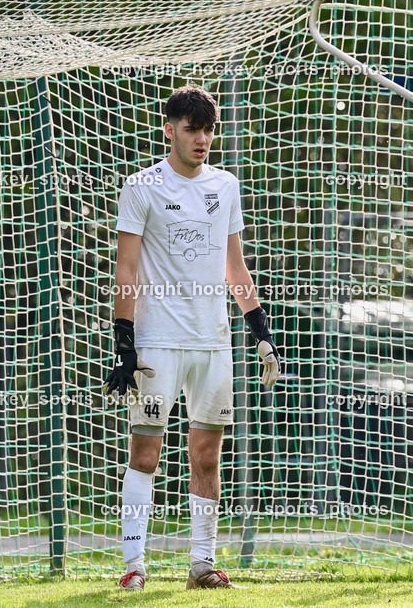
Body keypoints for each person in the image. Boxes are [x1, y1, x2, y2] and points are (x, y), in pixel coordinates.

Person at [105, 84, 281, 591]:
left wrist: (260, 332)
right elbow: (127, 267)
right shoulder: (141, 187)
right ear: (170, 130)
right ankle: (133, 567)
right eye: (192, 130)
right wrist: (125, 343)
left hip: (214, 342)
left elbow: (235, 265)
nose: (202, 139)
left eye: (208, 130)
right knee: (146, 453)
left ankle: (202, 565)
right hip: (158, 344)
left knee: (207, 454)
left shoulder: (225, 185)